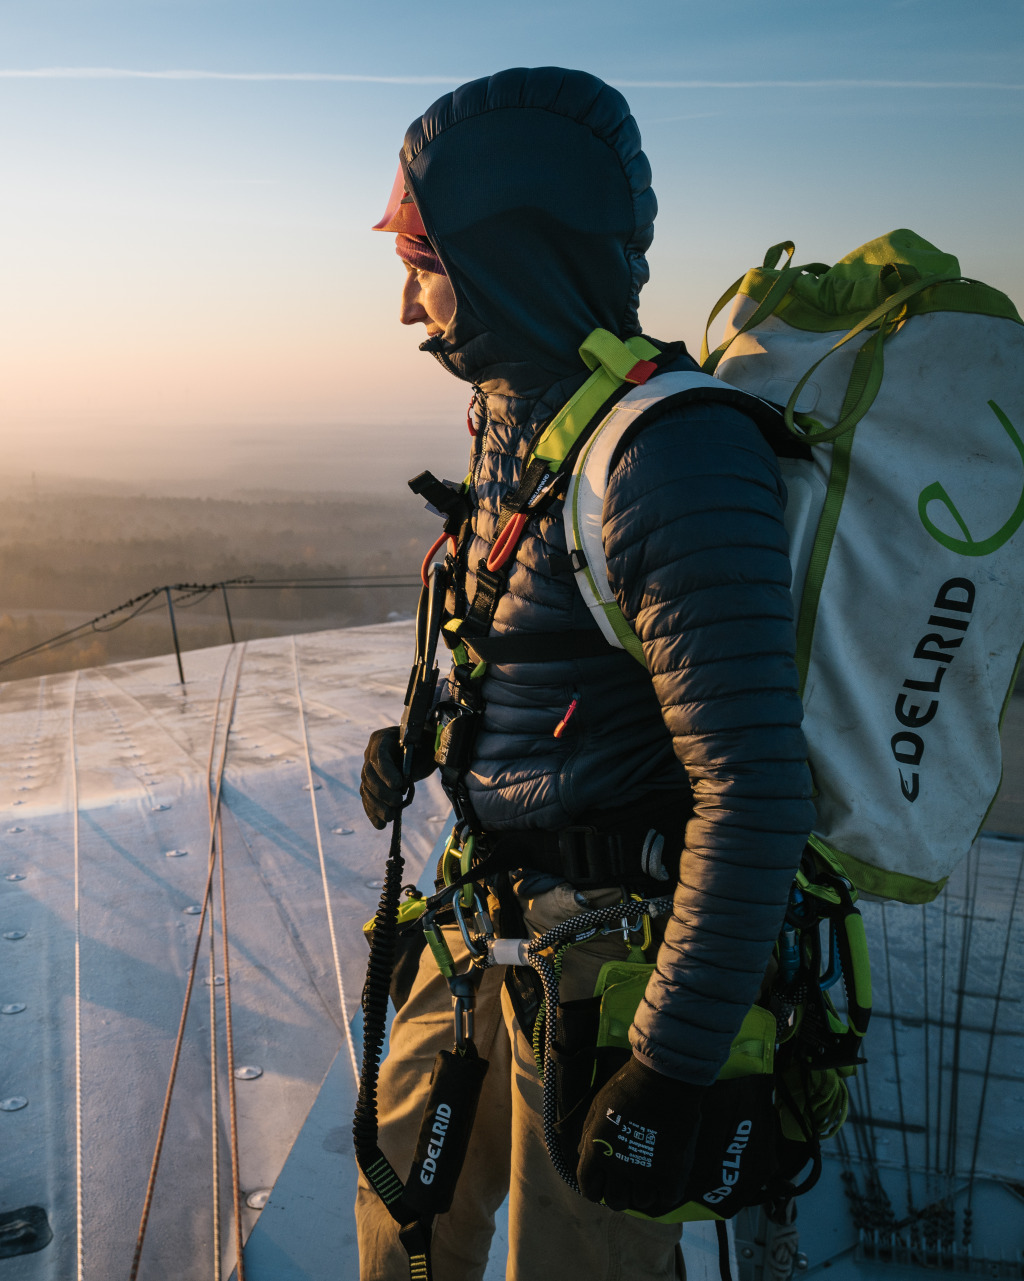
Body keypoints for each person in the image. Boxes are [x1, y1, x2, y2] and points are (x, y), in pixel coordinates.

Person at [353, 68, 815, 1279]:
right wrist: (432, 737)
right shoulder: (527, 419)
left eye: (422, 260)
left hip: (619, 977)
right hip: (484, 923)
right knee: (403, 1219)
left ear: (510, 250)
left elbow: (756, 794)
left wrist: (670, 1067)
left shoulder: (674, 456)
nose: (408, 307)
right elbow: (537, 635)